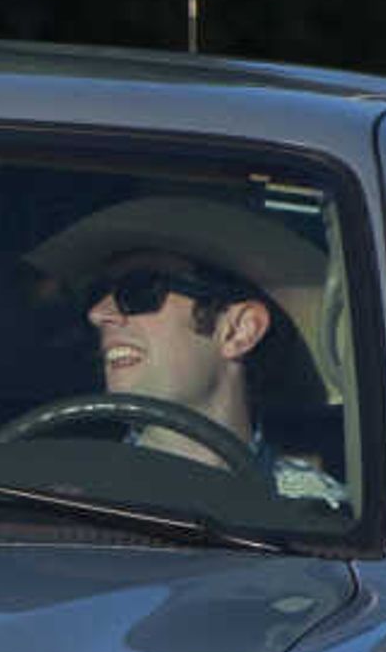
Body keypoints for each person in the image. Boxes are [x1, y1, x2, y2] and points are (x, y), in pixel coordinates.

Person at [25, 194, 349, 504]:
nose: (98, 314)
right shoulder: (63, 501)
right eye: (96, 293)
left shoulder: (316, 518)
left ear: (238, 330)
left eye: (139, 290)